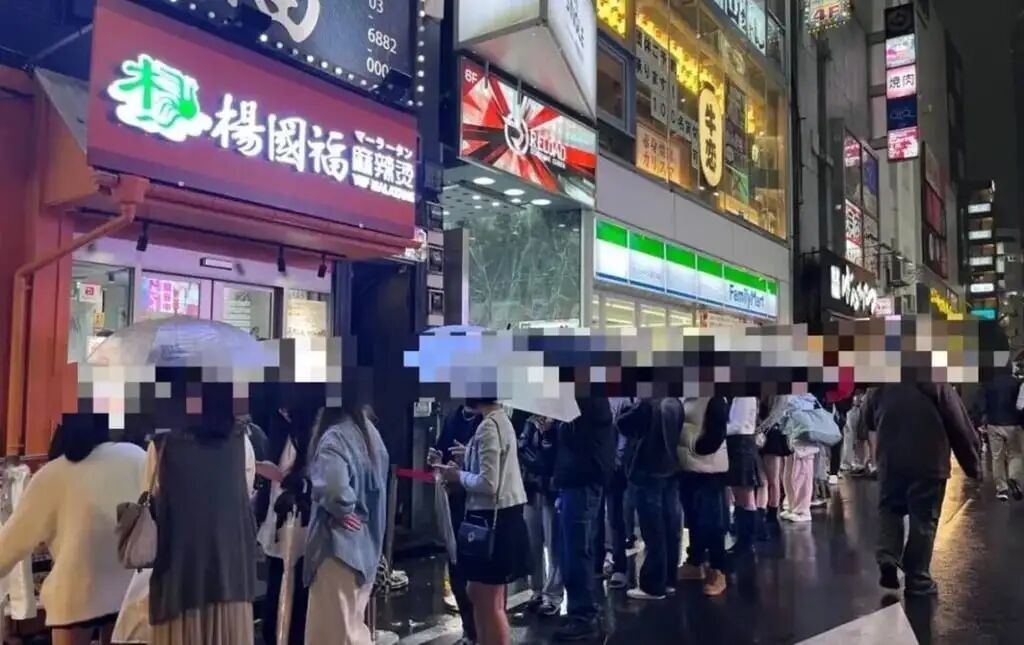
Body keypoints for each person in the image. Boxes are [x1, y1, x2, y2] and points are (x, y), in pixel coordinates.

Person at [0, 413, 145, 645]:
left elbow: (11, 544)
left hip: (76, 596)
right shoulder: (136, 457)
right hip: (129, 590)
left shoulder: (52, 474)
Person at [148, 380, 258, 645]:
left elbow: (152, 500)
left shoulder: (163, 446)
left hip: (180, 583)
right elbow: (246, 491)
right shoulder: (241, 442)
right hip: (232, 578)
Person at [861, 383, 981, 596]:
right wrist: (972, 465)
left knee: (890, 510)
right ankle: (918, 579)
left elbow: (867, 421)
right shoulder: (936, 384)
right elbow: (959, 426)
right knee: (924, 519)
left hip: (891, 462)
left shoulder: (880, 385)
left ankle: (888, 556)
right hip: (929, 463)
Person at [437, 400, 529, 645]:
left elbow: (489, 483)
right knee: (479, 593)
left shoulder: (489, 426)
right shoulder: (500, 421)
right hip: (503, 517)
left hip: (493, 521)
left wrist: (458, 475)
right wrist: (467, 454)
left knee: (489, 601)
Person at [304, 398, 390, 645]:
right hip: (366, 553)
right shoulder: (369, 433)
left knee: (332, 635)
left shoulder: (334, 438)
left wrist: (341, 509)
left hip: (337, 552)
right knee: (352, 632)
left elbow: (334, 489)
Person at [253, 385, 322, 645]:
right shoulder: (282, 429)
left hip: (299, 532)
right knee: (275, 601)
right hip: (278, 526)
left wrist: (282, 478)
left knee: (295, 606)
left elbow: (313, 483)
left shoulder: (314, 434)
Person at [552, 397, 615, 642]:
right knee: (573, 549)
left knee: (577, 550)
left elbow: (580, 442)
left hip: (582, 481)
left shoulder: (588, 400)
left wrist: (561, 425)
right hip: (576, 481)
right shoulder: (583, 399)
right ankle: (582, 611)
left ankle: (584, 615)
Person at [616, 398, 683, 601]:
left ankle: (653, 584)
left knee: (653, 530)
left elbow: (623, 424)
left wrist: (629, 408)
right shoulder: (675, 402)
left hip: (647, 470)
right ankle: (669, 579)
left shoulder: (646, 404)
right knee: (670, 527)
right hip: (670, 467)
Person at [430, 404, 482, 644]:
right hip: (454, 499)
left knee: (478, 573)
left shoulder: (488, 422)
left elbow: (492, 473)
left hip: (479, 506)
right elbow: (441, 451)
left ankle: (481, 631)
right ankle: (468, 628)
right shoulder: (453, 416)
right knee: (456, 565)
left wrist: (469, 458)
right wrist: (437, 460)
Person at [676, 396, 731, 597]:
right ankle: (695, 561)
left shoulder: (715, 399)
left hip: (708, 468)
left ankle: (718, 570)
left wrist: (694, 447)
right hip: (688, 466)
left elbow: (716, 434)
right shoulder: (687, 397)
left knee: (712, 522)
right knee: (694, 519)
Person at [518, 415, 563, 617]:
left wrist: (548, 435)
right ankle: (536, 590)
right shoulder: (529, 422)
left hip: (551, 490)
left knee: (554, 544)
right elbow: (522, 450)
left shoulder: (561, 425)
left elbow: (556, 458)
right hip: (530, 488)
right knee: (532, 543)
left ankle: (553, 595)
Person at [972, 362, 1024, 501]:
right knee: (1016, 454)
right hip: (1014, 424)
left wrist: (981, 418)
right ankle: (1014, 479)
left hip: (994, 423)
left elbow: (980, 402)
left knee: (997, 457)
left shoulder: (988, 383)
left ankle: (1002, 489)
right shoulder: (1017, 383)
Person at [725, 397, 761, 554]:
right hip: (739, 442)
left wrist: (721, 429)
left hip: (741, 441)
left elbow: (738, 425)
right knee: (740, 494)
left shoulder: (745, 396)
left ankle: (747, 540)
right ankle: (743, 539)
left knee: (745, 494)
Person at [758, 395, 791, 534]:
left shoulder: (780, 397)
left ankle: (772, 512)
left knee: (772, 480)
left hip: (772, 436)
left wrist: (758, 428)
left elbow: (775, 416)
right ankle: (763, 511)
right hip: (763, 436)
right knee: (763, 480)